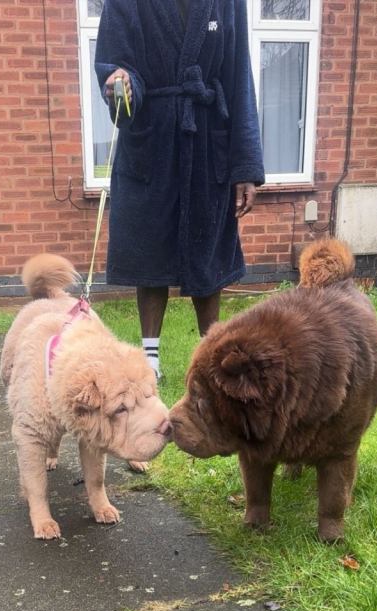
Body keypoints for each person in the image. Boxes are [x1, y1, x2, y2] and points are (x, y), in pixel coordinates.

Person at [95, 0, 265, 379]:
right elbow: (114, 59)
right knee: (149, 250)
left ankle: (211, 356)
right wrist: (121, 81)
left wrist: (246, 167)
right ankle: (150, 361)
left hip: (207, 140)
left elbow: (239, 78)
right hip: (151, 141)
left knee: (208, 252)